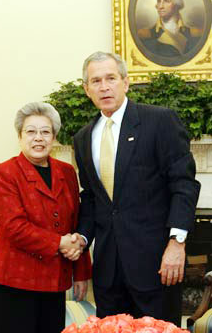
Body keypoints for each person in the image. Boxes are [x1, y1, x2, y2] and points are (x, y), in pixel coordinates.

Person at [71, 51, 200, 326]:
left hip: (157, 265)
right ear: (87, 89)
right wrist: (82, 238)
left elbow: (184, 184)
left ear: (126, 82)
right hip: (108, 271)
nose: (104, 86)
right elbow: (92, 199)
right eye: (96, 81)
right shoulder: (83, 138)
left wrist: (177, 243)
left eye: (111, 78)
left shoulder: (159, 121)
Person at [0, 102, 92, 333]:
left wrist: (81, 272)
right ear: (20, 137)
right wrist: (61, 243)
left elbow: (76, 221)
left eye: (45, 131)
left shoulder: (66, 172)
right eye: (30, 131)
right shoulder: (3, 173)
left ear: (53, 137)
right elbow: (15, 227)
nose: (38, 138)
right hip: (14, 280)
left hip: (55, 280)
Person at [138, 0, 203, 56]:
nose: (161, 6)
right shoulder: (145, 35)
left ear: (177, 4)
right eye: (159, 1)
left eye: (166, 1)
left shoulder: (195, 34)